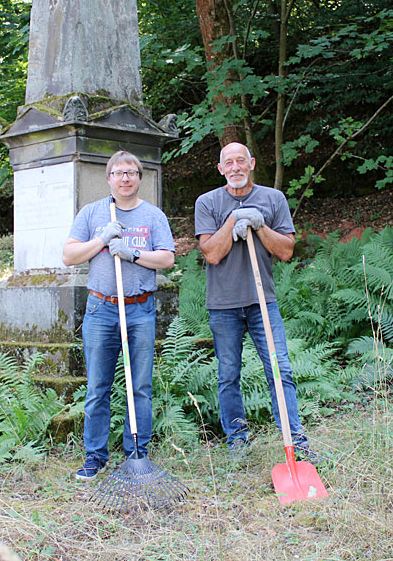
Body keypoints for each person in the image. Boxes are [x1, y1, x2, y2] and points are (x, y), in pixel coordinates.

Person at [194, 141, 321, 462]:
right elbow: (211, 252)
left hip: (262, 301)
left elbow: (286, 250)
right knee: (228, 375)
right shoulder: (207, 202)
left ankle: (296, 441)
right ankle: (237, 443)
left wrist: (259, 224)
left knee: (280, 370)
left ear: (251, 163)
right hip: (223, 304)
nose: (235, 167)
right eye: (228, 163)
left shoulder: (272, 199)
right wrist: (233, 221)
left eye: (241, 161)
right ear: (221, 169)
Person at [62, 150, 175, 480]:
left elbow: (167, 259)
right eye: (119, 173)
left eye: (132, 172)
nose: (125, 178)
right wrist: (101, 240)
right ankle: (95, 455)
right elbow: (69, 255)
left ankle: (137, 453)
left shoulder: (153, 216)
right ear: (109, 178)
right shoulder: (92, 213)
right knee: (98, 386)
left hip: (140, 308)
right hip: (101, 309)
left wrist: (133, 253)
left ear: (140, 178)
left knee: (139, 385)